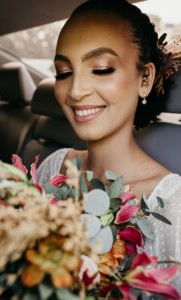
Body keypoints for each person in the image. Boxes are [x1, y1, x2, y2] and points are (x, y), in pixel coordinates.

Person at [37, 0, 181, 287]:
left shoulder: (172, 209)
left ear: (145, 78)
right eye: (64, 72)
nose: (76, 91)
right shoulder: (53, 166)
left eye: (101, 69)